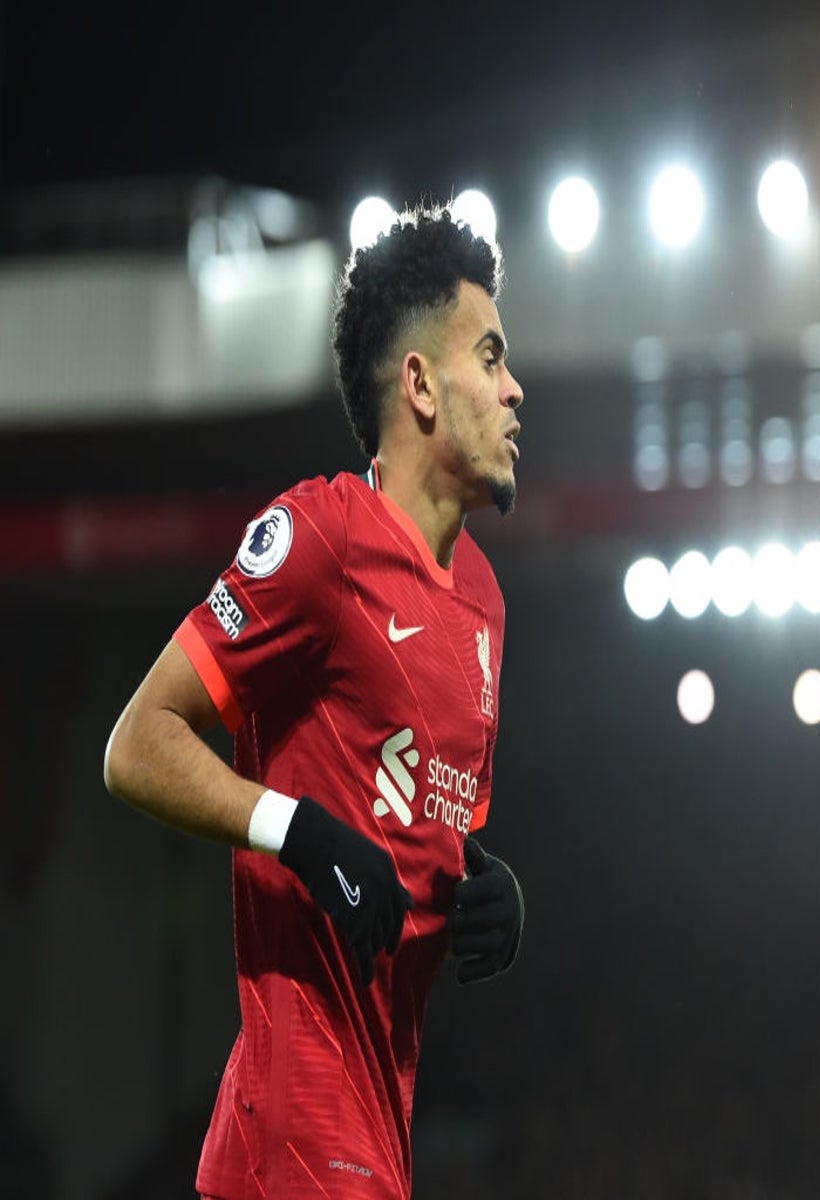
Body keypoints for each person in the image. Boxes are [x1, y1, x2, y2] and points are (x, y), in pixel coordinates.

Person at [103, 205, 526, 1199]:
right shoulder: (319, 538)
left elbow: (420, 822)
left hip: (376, 1136)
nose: (516, 389)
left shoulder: (486, 606)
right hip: (295, 1137)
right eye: (493, 356)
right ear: (419, 384)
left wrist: (488, 885)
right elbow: (137, 742)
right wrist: (294, 830)